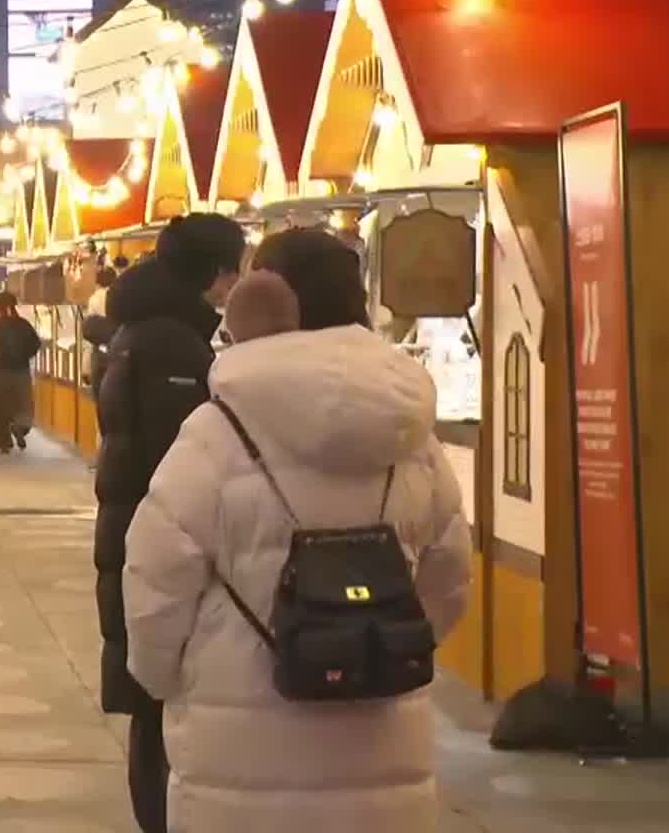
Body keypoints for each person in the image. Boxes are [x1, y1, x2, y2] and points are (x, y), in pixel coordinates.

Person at [122, 229, 472, 832]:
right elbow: (449, 579)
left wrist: (169, 681)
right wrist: (372, 644)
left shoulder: (217, 432)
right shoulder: (411, 438)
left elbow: (155, 587)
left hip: (239, 755)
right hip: (380, 734)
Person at [93, 213, 246, 833]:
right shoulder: (172, 344)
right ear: (215, 275)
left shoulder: (144, 330)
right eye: (237, 268)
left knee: (152, 705)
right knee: (160, 705)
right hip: (154, 542)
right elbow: (177, 461)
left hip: (134, 534)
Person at [0, 293, 42, 454]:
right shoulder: (23, 324)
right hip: (20, 372)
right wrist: (24, 356)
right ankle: (20, 427)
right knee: (23, 405)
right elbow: (36, 343)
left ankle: (3, 443)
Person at [83, 266, 118, 398]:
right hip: (117, 350)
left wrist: (85, 368)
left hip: (99, 354)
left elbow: (89, 336)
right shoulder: (121, 296)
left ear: (97, 282)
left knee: (99, 397)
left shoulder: (95, 299)